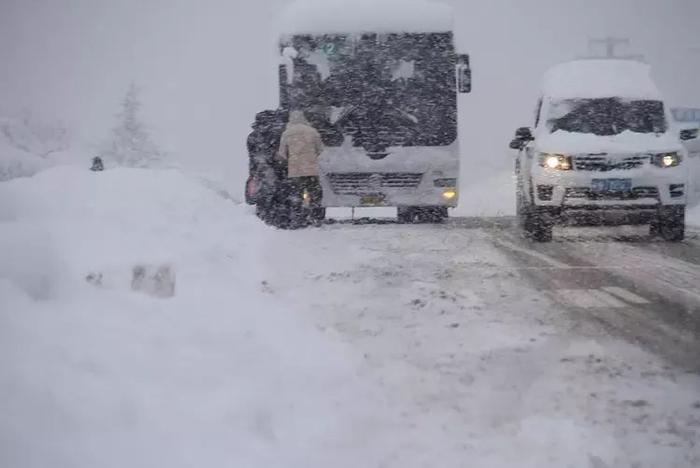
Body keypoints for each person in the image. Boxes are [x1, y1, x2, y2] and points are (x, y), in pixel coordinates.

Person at [277, 110, 325, 228]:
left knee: (296, 195)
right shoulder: (312, 131)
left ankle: (298, 219)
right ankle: (316, 218)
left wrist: (291, 159)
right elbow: (320, 149)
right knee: (315, 193)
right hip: (311, 169)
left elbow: (282, 154)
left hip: (295, 171)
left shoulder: (286, 133)